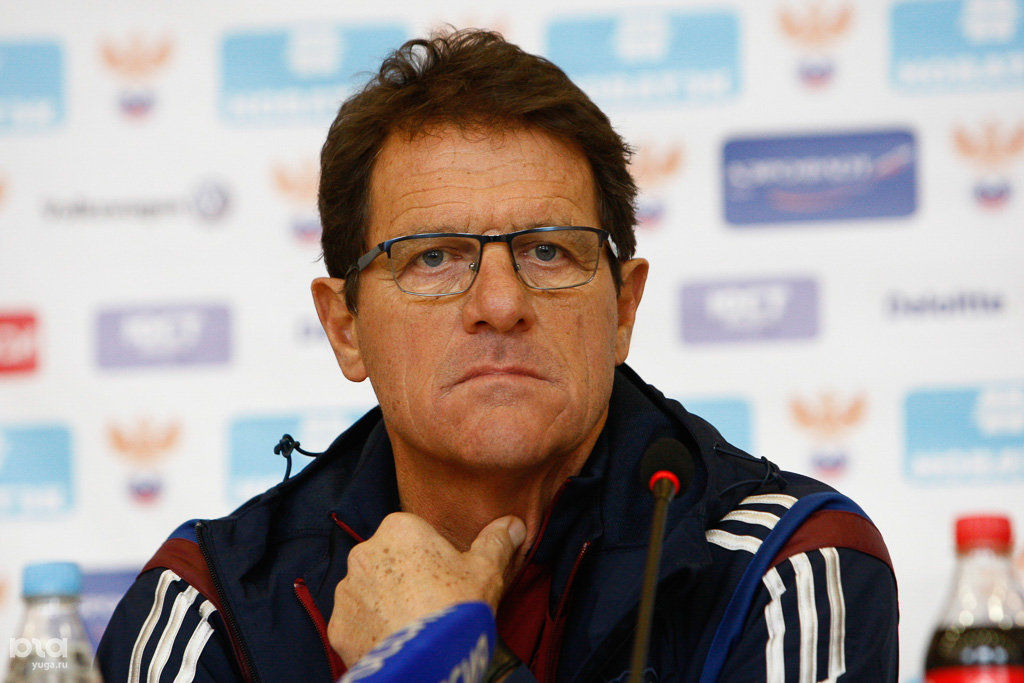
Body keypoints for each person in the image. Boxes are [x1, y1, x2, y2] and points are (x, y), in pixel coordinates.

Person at [97, 29, 898, 682]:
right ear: (346, 327)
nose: (501, 303)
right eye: (433, 258)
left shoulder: (786, 569)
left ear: (623, 309)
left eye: (549, 251)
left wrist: (436, 660)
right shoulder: (213, 610)